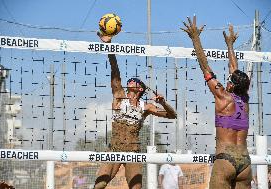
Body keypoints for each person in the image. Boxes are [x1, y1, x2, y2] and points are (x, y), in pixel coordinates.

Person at [94, 32, 177, 189]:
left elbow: (173, 115)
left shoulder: (145, 107)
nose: (130, 81)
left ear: (140, 89)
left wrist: (163, 103)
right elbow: (115, 71)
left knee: (136, 187)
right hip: (115, 148)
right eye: (130, 80)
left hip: (133, 150)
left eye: (134, 81)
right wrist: (109, 46)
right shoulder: (119, 96)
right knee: (100, 184)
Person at [182, 16, 252, 188]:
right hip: (245, 162)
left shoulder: (222, 96)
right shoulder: (245, 99)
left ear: (230, 84)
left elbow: (204, 66)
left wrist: (195, 38)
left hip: (225, 160)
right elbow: (234, 68)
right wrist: (230, 45)